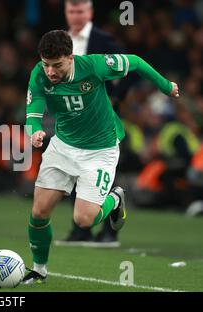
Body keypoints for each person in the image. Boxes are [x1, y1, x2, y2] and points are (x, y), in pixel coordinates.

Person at [22, 30, 179, 284]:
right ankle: (39, 270)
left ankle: (115, 199)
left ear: (70, 57)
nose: (50, 71)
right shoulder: (39, 74)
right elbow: (33, 111)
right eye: (46, 64)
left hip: (99, 150)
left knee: (83, 219)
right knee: (39, 212)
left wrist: (165, 86)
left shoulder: (95, 66)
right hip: (62, 147)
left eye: (57, 65)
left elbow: (135, 62)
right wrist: (34, 132)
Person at [57, 0, 137, 246]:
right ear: (66, 13)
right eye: (72, 11)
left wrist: (114, 97)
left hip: (101, 118)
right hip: (74, 119)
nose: (76, 15)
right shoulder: (60, 41)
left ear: (90, 13)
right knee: (74, 170)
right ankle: (81, 230)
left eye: (81, 11)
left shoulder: (103, 40)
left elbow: (128, 69)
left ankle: (109, 232)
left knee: (102, 172)